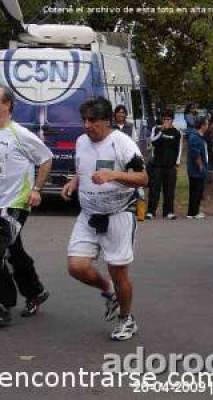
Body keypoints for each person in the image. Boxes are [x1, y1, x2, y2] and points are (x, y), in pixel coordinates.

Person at [62, 96, 148, 341]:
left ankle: (126, 319)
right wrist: (74, 181)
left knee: (118, 271)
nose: (87, 126)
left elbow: (143, 178)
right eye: (84, 120)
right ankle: (108, 290)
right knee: (76, 267)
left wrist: (113, 174)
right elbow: (84, 171)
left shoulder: (122, 144)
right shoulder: (81, 141)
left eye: (92, 120)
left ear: (106, 120)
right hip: (89, 214)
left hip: (119, 213)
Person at [0, 85, 52, 326]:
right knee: (13, 250)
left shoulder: (20, 134)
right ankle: (35, 292)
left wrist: (36, 190)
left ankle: (3, 304)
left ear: (7, 105)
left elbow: (46, 159)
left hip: (16, 203)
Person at [146, 110, 182, 220]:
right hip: (157, 164)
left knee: (169, 189)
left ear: (172, 120)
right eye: (165, 119)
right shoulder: (156, 129)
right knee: (154, 189)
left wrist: (177, 162)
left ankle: (168, 211)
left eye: (169, 119)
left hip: (170, 165)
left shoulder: (177, 132)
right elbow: (152, 142)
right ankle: (151, 211)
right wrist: (161, 131)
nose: (166, 121)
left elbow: (179, 148)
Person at [187, 116, 209, 219]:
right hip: (196, 169)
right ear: (202, 125)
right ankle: (193, 212)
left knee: (196, 190)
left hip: (198, 168)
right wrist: (200, 166)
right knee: (196, 190)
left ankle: (192, 212)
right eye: (207, 124)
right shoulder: (195, 137)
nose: (208, 126)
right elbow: (196, 154)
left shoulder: (200, 136)